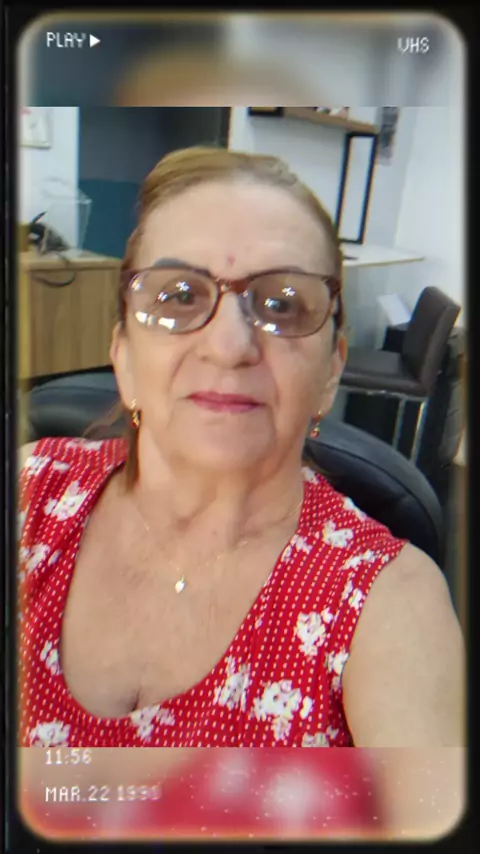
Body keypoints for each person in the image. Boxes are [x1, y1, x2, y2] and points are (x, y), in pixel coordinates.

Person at [18, 146, 464, 749]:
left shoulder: (389, 603)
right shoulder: (29, 493)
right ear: (123, 357)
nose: (229, 346)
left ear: (331, 372)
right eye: (179, 296)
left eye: (282, 305)